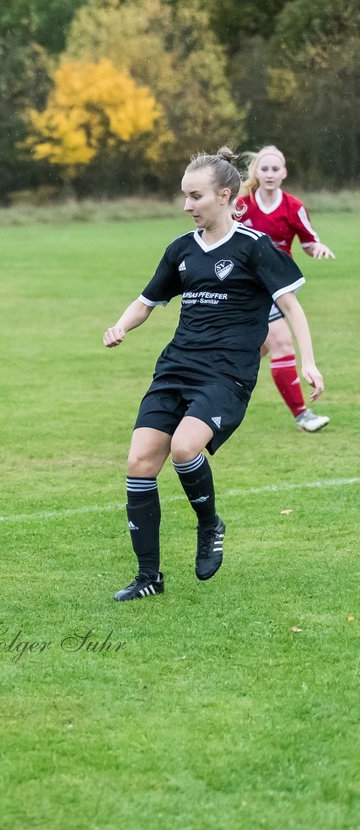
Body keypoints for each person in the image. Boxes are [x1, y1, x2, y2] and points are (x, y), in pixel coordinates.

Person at [103, 147, 323, 602]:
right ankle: (149, 577)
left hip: (226, 374)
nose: (187, 206)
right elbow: (148, 300)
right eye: (184, 196)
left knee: (185, 448)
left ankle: (210, 525)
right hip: (176, 368)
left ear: (224, 195)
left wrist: (308, 361)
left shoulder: (254, 248)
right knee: (139, 462)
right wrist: (121, 326)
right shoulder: (180, 250)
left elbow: (291, 306)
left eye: (195, 196)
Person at [236, 145, 334, 432]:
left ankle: (216, 385)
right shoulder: (243, 205)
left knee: (254, 350)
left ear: (284, 173)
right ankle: (302, 415)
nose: (269, 174)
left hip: (280, 284)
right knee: (281, 342)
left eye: (274, 169)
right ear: (257, 172)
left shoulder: (293, 206)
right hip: (251, 287)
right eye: (264, 169)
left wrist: (318, 248)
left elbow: (308, 240)